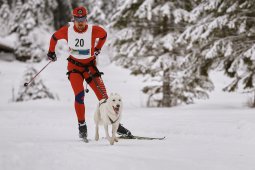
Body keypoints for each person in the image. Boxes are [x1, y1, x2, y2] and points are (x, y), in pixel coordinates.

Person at [47, 7, 132, 140]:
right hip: (74, 68)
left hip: (90, 68)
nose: (80, 22)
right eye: (77, 19)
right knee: (79, 96)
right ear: (73, 19)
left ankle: (116, 124)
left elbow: (104, 35)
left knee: (104, 98)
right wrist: (51, 52)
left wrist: (98, 48)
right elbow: (54, 38)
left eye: (82, 19)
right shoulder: (67, 31)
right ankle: (82, 125)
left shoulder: (94, 30)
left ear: (86, 19)